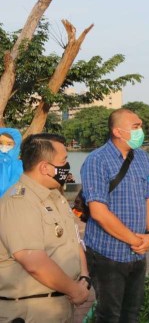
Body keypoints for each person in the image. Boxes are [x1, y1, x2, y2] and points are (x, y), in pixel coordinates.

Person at [0, 133, 89, 322]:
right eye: (64, 160)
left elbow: (74, 240)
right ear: (45, 168)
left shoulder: (56, 197)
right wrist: (76, 291)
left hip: (61, 304)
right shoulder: (20, 202)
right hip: (32, 311)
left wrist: (84, 276)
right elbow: (33, 262)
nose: (67, 166)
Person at [81, 108, 149, 322]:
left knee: (131, 314)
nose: (140, 130)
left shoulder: (143, 158)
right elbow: (98, 211)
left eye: (140, 125)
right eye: (135, 126)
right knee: (109, 315)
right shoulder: (97, 160)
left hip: (137, 253)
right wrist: (135, 239)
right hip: (108, 254)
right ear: (117, 131)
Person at [0, 127, 23, 197]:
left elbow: (19, 194)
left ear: (16, 145)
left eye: (9, 144)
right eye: (0, 143)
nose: (4, 146)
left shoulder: (21, 166)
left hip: (10, 205)